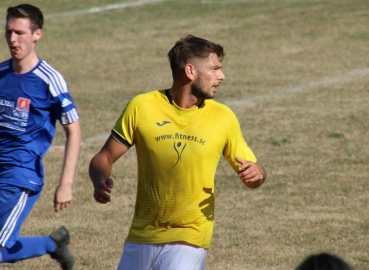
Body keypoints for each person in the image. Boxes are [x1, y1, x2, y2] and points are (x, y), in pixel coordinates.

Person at [89, 34, 267, 270]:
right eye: (215, 69)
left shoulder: (223, 117)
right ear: (191, 71)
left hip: (190, 239)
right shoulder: (142, 107)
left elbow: (254, 176)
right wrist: (99, 178)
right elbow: (105, 157)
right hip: (141, 235)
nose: (221, 76)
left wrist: (258, 174)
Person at [0, 4, 81, 270]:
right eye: (8, 31)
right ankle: (52, 244)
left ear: (37, 35)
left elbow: (74, 129)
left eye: (20, 33)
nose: (13, 39)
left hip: (20, 176)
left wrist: (66, 184)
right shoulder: (0, 73)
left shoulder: (50, 80)